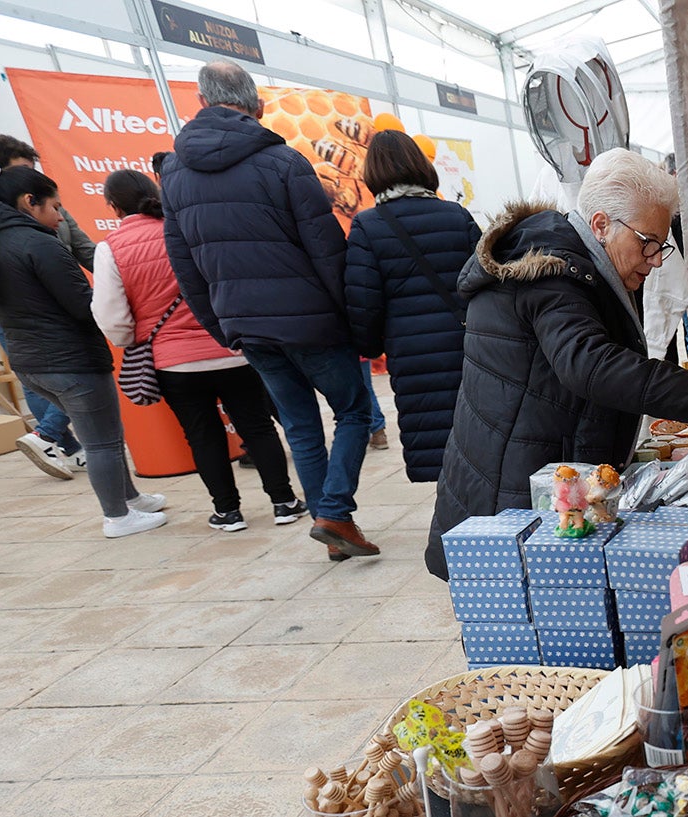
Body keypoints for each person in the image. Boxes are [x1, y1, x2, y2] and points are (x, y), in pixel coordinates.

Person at [427, 148, 688, 578]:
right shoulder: (552, 272)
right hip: (510, 490)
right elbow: (590, 364)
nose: (657, 259)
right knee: (513, 621)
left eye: (663, 245)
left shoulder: (582, 263)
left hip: (533, 470)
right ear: (602, 225)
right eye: (648, 244)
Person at [159, 59, 377, 561]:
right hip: (311, 319)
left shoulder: (174, 173)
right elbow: (326, 249)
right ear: (258, 105)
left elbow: (184, 263)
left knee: (300, 425)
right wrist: (351, 317)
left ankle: (334, 531)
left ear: (200, 103)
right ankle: (335, 513)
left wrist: (221, 325)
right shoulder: (282, 161)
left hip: (245, 323)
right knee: (353, 410)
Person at [0, 165, 167, 537]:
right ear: (29, 202)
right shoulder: (39, 244)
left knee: (105, 434)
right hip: (71, 361)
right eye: (56, 206)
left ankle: (129, 498)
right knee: (101, 441)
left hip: (32, 362)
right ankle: (117, 516)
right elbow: (83, 305)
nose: (60, 216)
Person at [90, 169, 308, 534]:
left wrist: (135, 339)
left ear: (113, 207)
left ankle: (228, 512)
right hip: (230, 347)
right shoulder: (189, 229)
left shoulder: (110, 249)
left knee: (202, 435)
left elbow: (112, 317)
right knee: (256, 426)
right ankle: (284, 502)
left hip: (174, 362)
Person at [0, 135, 96, 480]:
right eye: (23, 169)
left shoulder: (44, 203)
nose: (29, 178)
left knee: (53, 370)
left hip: (51, 292)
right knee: (37, 372)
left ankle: (56, 442)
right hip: (3, 299)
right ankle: (51, 439)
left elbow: (80, 243)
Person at [345, 129, 481, 481]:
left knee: (435, 444)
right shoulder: (457, 216)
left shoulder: (367, 226)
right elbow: (487, 280)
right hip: (467, 345)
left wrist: (372, 346)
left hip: (411, 351)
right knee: (479, 437)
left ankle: (451, 525)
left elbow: (363, 300)